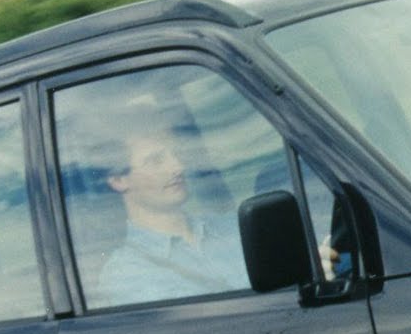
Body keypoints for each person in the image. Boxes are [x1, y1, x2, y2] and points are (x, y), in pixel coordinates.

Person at [96, 127, 343, 308]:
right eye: (156, 160)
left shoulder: (234, 227)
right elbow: (209, 331)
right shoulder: (125, 274)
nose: (177, 167)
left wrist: (312, 266)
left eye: (176, 155)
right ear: (118, 180)